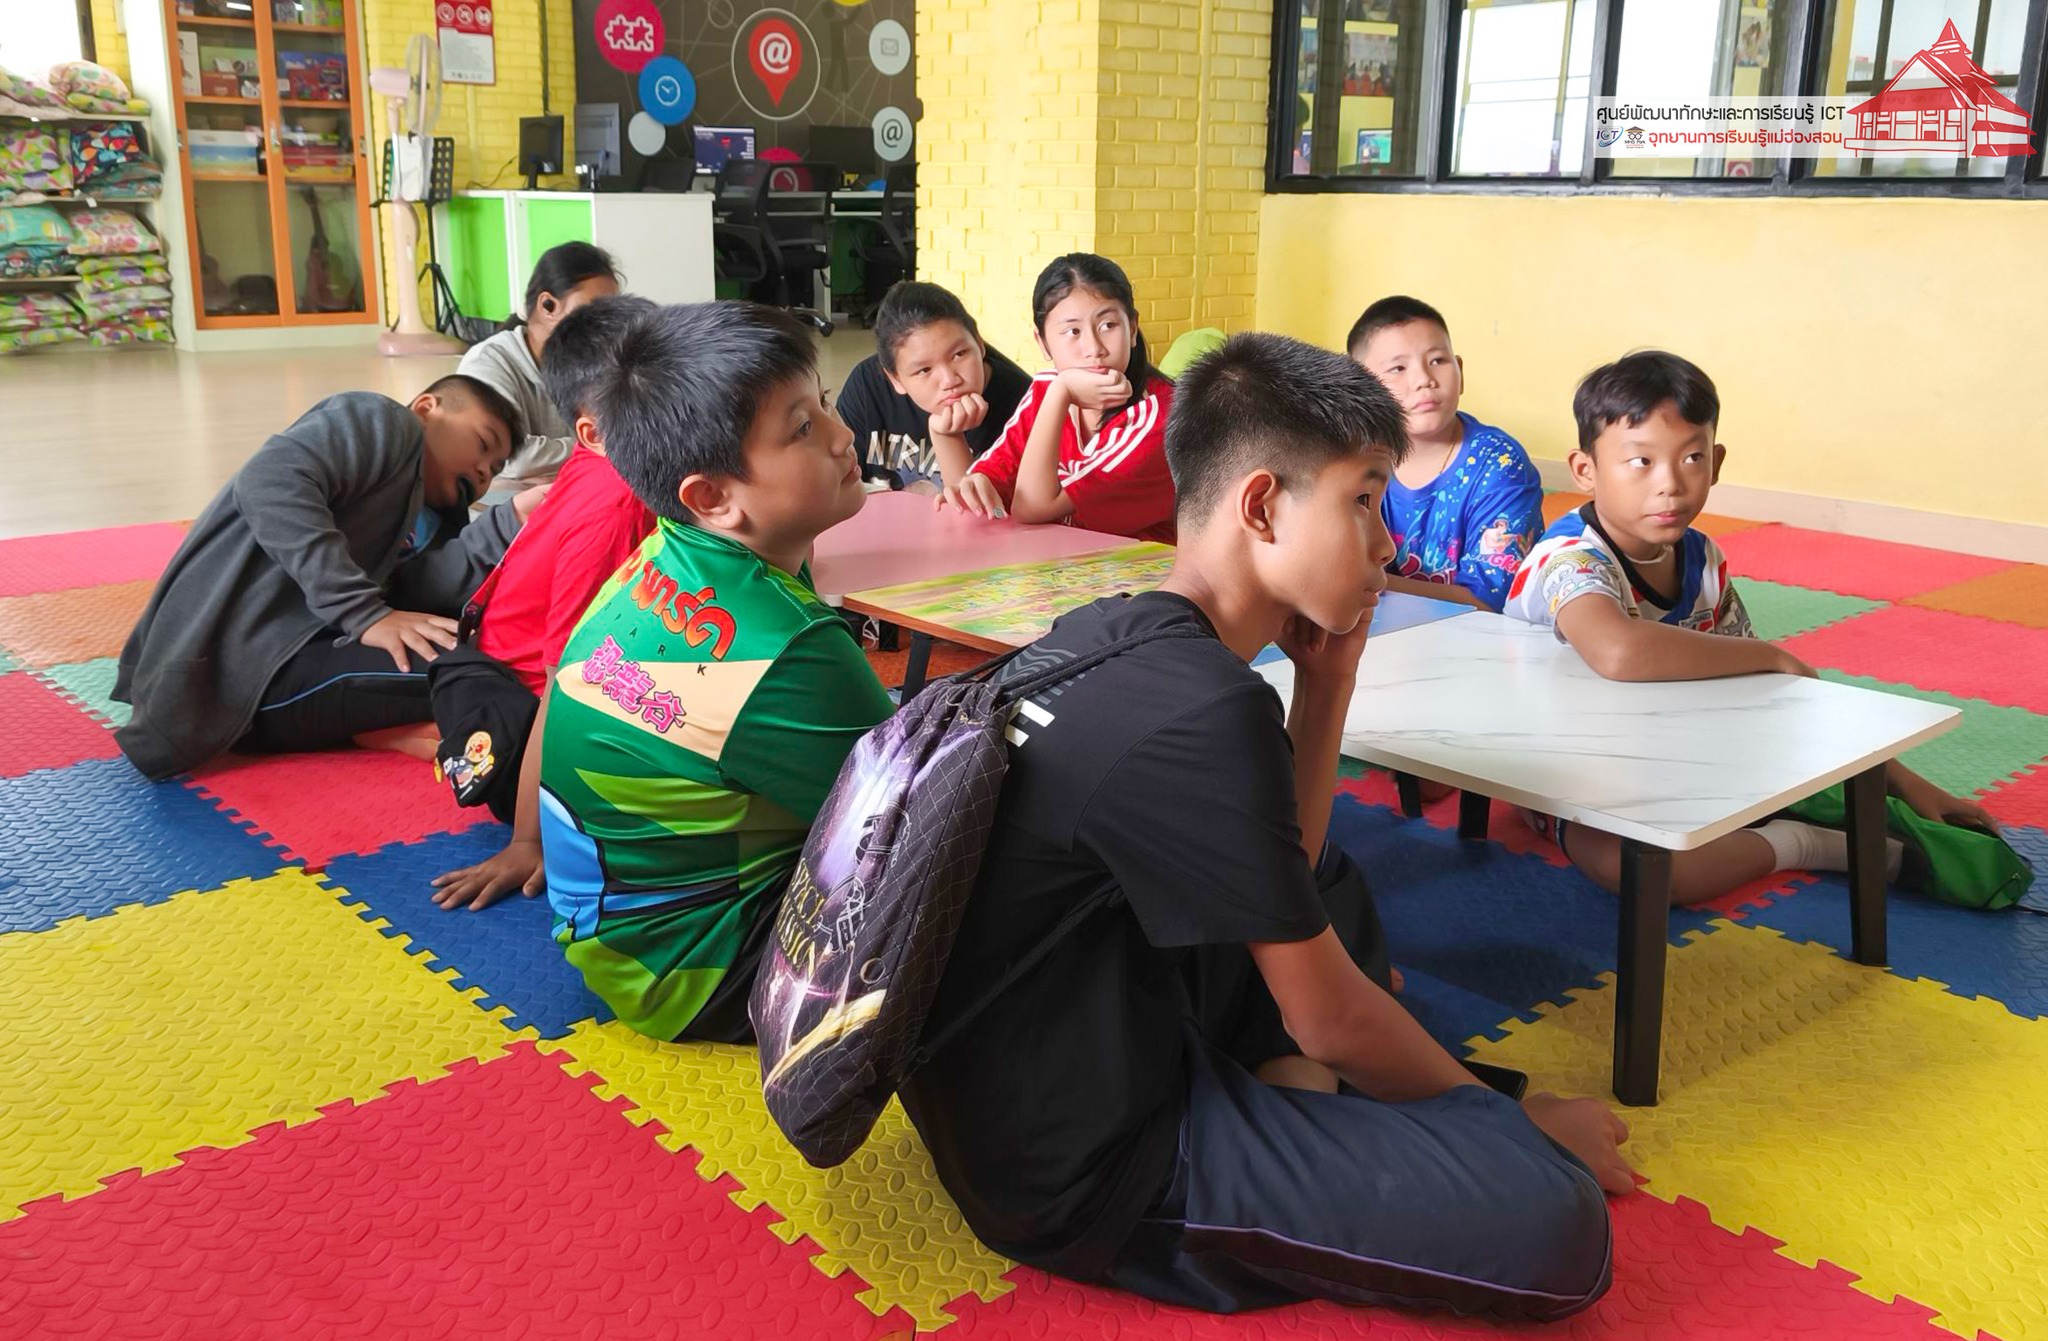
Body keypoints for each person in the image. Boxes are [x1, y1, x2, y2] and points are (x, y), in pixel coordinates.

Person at [900, 333, 1630, 1320]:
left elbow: (1287, 862)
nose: (1386, 544)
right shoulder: (1201, 709)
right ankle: (1305, 1104)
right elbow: (1327, 1017)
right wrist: (1507, 1117)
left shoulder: (1120, 628)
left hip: (1035, 1055)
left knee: (1319, 878)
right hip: (1082, 1163)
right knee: (1556, 1221)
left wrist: (1325, 686)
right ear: (1260, 506)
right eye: (1362, 500)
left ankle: (1296, 1093)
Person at [1504, 350, 1996, 903]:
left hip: (1666, 749)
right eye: (1640, 461)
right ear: (1585, 470)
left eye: (1691, 458)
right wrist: (1774, 656)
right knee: (1645, 873)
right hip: (1560, 767)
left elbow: (1774, 697)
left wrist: (1907, 784)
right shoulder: (1570, 557)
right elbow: (1618, 651)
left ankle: (1845, 822)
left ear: (1715, 462)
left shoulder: (1701, 557)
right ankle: (1808, 845)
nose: (1670, 484)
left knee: (1784, 737)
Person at [538, 302, 895, 1042]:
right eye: (802, 429)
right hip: (701, 966)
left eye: (825, 403)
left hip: (613, 933)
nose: (843, 435)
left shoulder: (663, 548)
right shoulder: (787, 645)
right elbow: (907, 820)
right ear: (713, 496)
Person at [113, 376, 538, 779]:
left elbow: (415, 594)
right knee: (489, 670)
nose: (484, 472)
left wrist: (508, 521)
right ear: (427, 408)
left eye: (495, 468)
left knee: (493, 650)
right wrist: (363, 613)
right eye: (483, 444)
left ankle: (364, 727)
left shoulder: (436, 513)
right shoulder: (384, 421)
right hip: (234, 675)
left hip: (304, 668)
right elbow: (271, 478)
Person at [426, 295, 659, 910]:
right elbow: (565, 679)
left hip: (492, 668)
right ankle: (441, 746)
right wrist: (530, 840)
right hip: (515, 718)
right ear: (593, 429)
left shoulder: (610, 459)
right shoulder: (617, 504)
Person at [945, 253, 1177, 543]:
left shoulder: (1159, 415)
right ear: (1042, 342)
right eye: (1072, 331)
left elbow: (1032, 507)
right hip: (1061, 559)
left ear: (1132, 328)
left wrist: (1061, 392)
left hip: (1143, 566)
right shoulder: (1049, 388)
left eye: (1108, 325)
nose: (1094, 349)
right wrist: (977, 485)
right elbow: (994, 476)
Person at [1347, 296, 1542, 612]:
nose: (1424, 380)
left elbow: (1487, 601)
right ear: (1361, 388)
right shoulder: (1347, 459)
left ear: (1460, 370)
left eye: (1437, 360)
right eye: (1398, 368)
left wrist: (1369, 583)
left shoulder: (1499, 463)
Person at [834, 280, 1032, 491]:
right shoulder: (867, 388)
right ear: (895, 379)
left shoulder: (1026, 404)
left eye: (959, 354)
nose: (949, 380)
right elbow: (835, 487)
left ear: (979, 343)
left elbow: (978, 507)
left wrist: (948, 438)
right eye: (924, 370)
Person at [458, 241, 621, 486]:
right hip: (507, 503)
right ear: (548, 306)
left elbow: (625, 443)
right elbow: (511, 458)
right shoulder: (489, 361)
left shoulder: (599, 367)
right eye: (594, 313)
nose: (606, 327)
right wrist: (592, 448)